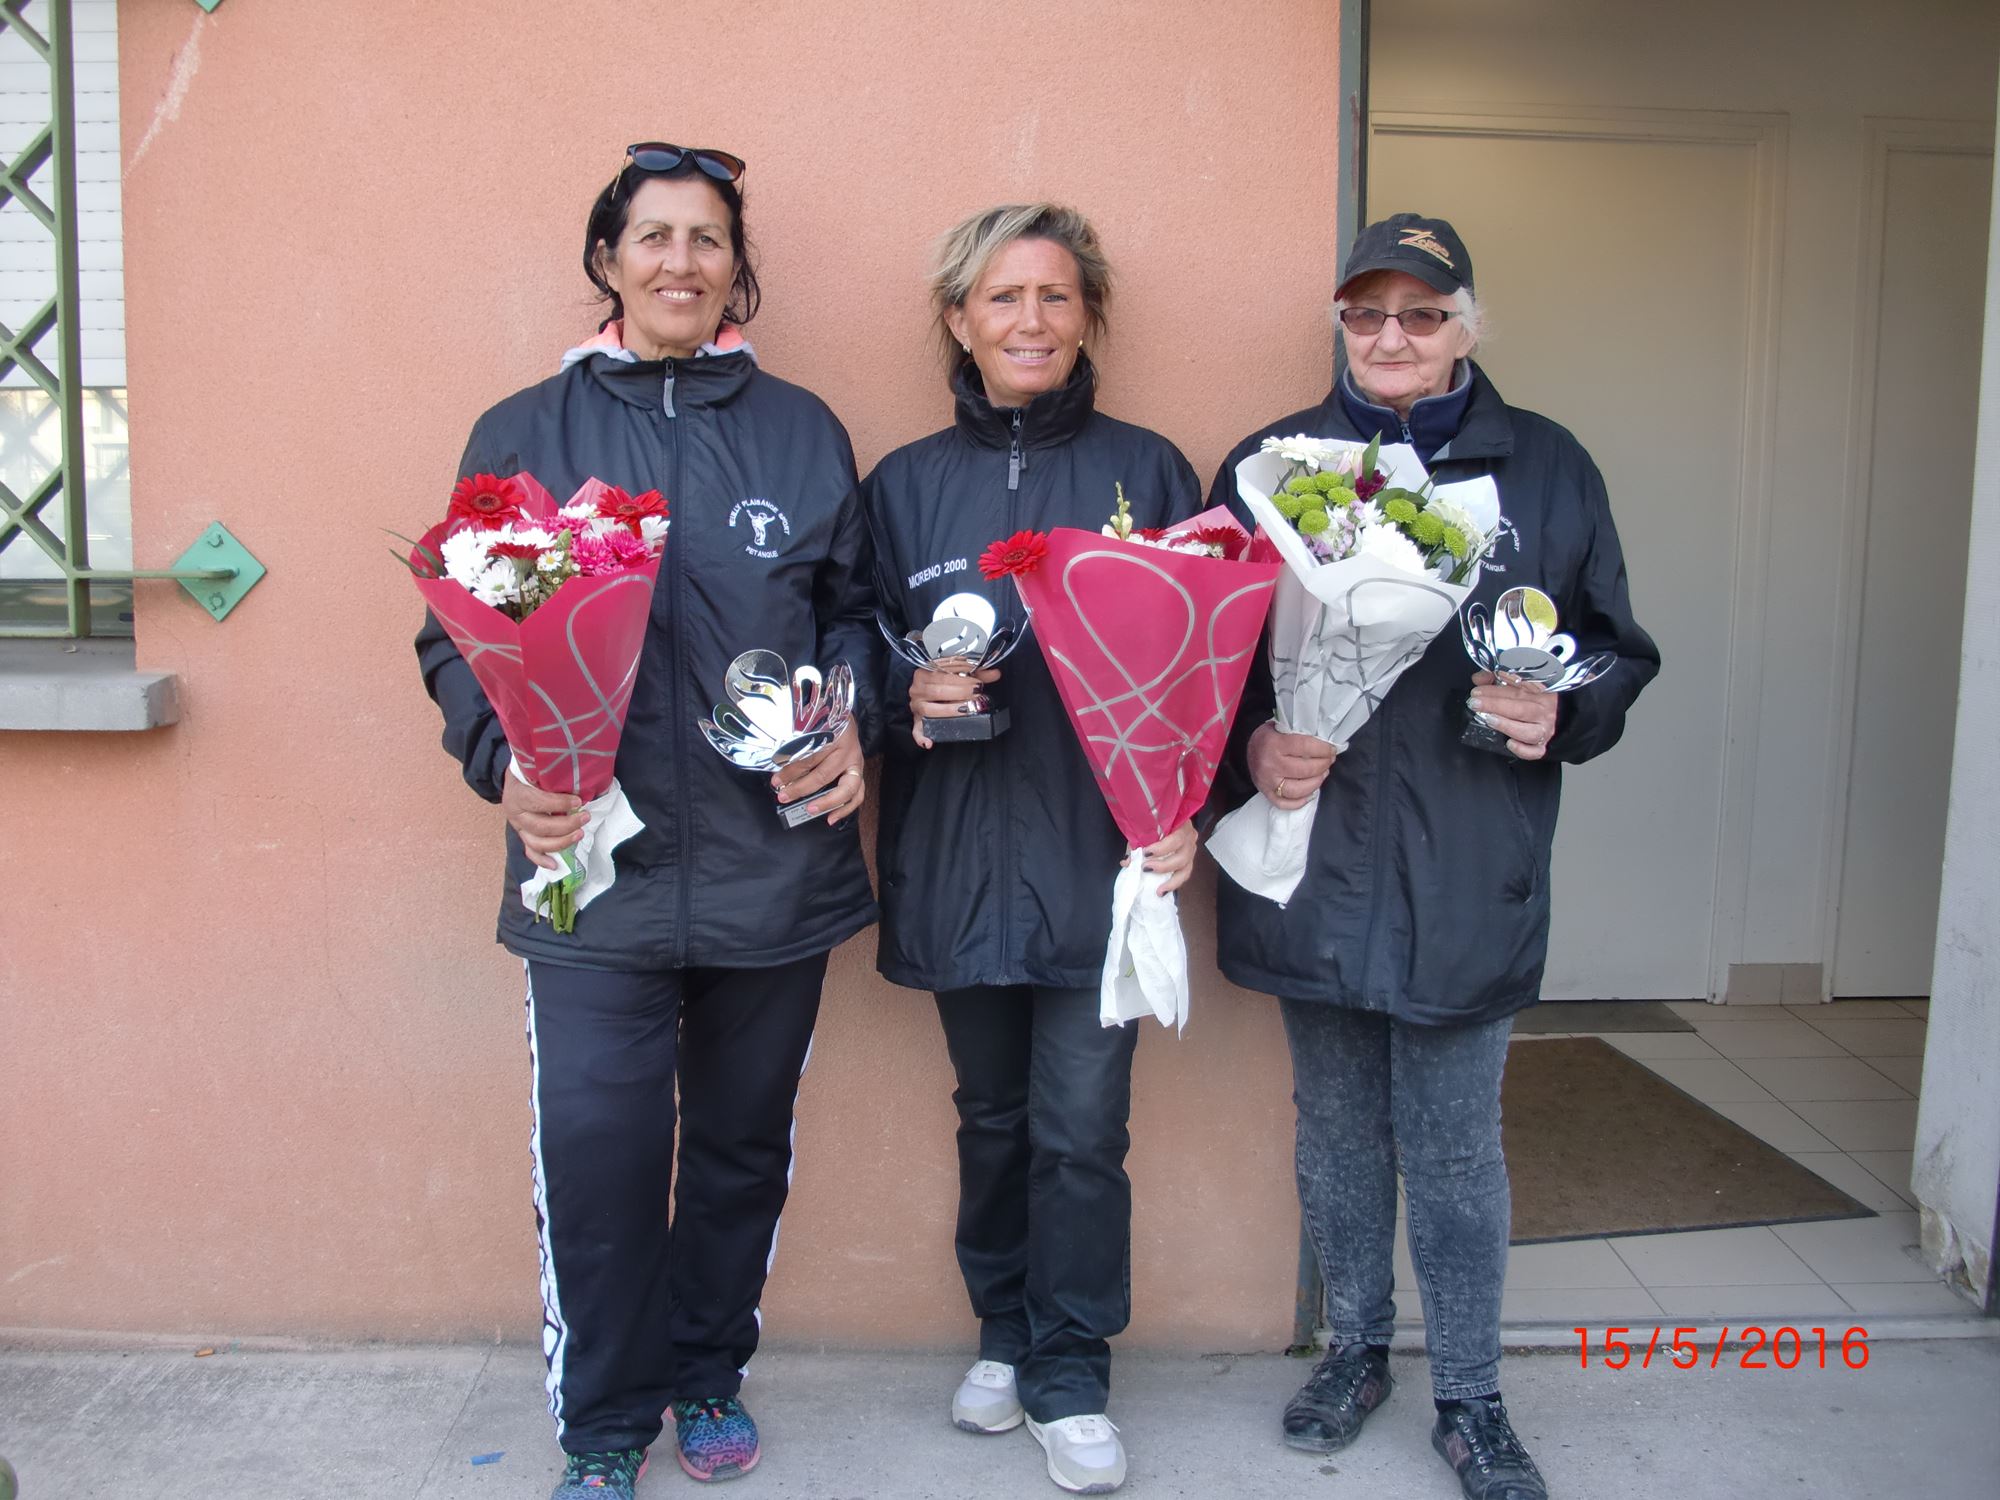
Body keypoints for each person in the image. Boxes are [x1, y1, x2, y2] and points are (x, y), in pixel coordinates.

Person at [416, 143, 880, 1500]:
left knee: (740, 1151)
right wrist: (501, 759)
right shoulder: (520, 432)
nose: (681, 261)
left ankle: (707, 1372)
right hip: (588, 872)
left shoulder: (802, 427)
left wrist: (848, 715)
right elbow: (456, 637)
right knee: (602, 1160)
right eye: (654, 236)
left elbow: (850, 612)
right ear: (606, 259)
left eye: (708, 239)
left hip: (771, 868)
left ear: (740, 267)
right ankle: (607, 1425)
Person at [1210, 213, 1660, 1500]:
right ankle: (1354, 1349)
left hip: (1471, 861)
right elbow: (1205, 653)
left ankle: (1469, 1392)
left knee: (1456, 1149)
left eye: (1419, 313)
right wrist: (1251, 750)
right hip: (1316, 854)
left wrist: (1560, 710)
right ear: (1339, 325)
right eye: (1365, 315)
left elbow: (1617, 649)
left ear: (1466, 323)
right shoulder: (1266, 465)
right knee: (1337, 1135)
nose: (1390, 337)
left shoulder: (1548, 469)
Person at [861, 203, 1201, 1495]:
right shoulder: (900, 486)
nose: (1030, 322)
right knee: (991, 1119)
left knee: (1078, 1129)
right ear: (958, 318)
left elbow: (1208, 671)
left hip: (1098, 871)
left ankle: (1070, 1370)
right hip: (954, 862)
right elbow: (853, 649)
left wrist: (1186, 812)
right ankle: (1001, 1335)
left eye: (1055, 298)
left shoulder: (1154, 473)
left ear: (1089, 316)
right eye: (1003, 299)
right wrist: (904, 701)